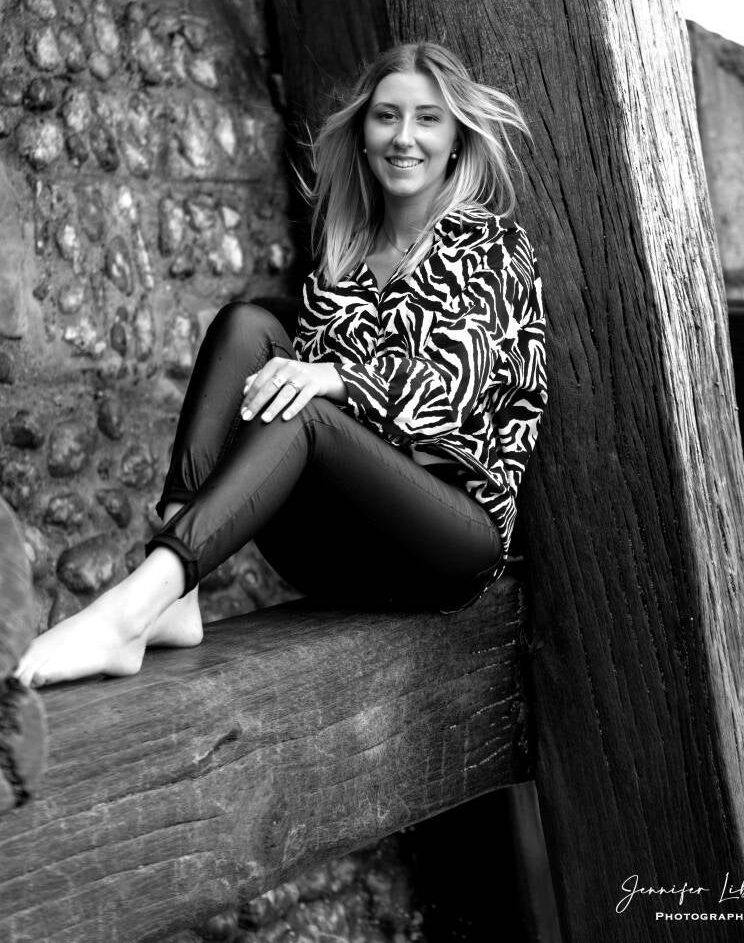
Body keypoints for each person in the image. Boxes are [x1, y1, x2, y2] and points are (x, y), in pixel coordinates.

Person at [14, 41, 547, 689]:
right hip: (336, 548)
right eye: (386, 116)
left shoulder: (490, 245)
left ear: (457, 140)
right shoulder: (344, 260)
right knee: (248, 324)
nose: (404, 137)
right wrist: (311, 380)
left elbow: (455, 389)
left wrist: (332, 378)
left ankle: (131, 608)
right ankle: (178, 592)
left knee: (307, 411)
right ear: (363, 136)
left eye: (427, 119)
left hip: (451, 540)